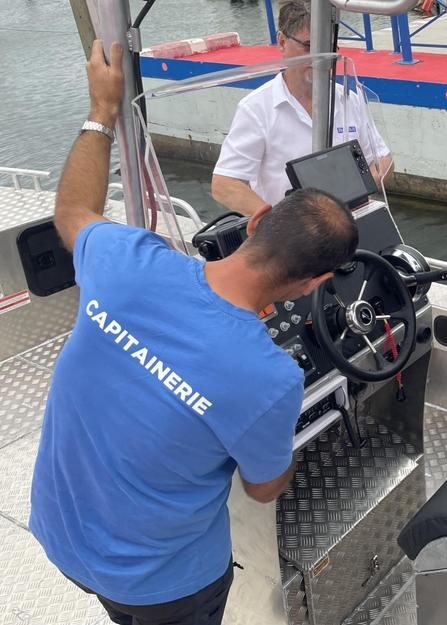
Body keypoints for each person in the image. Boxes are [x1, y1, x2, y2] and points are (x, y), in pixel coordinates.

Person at [30, 39, 358, 625]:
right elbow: (265, 488)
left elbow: (73, 213)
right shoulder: (269, 379)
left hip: (64, 533)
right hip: (168, 585)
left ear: (256, 220)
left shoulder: (129, 261)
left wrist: (102, 110)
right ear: (316, 283)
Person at [211, 0, 393, 215]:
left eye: (328, 47)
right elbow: (224, 183)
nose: (320, 57)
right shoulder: (257, 108)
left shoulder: (348, 99)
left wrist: (349, 195)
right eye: (309, 46)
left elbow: (384, 159)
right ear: (281, 42)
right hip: (294, 236)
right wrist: (276, 223)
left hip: (349, 224)